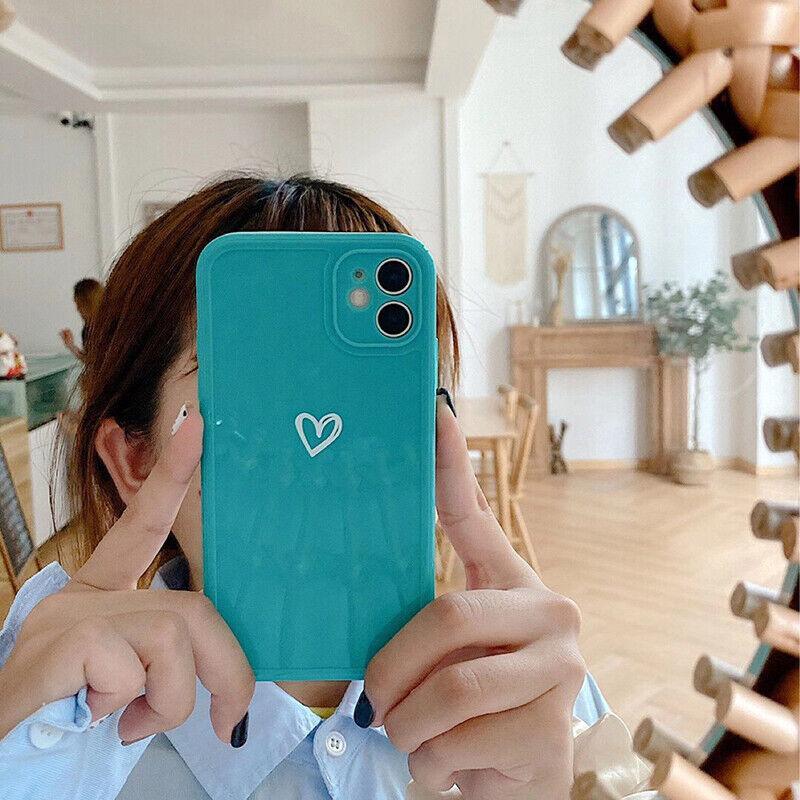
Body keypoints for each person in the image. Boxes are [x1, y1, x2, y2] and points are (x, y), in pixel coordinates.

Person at [0, 175, 606, 800]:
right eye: (257, 391)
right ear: (136, 460)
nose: (322, 448)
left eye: (380, 393)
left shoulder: (529, 695)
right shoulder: (48, 732)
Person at [60, 277, 104, 361]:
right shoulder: (88, 329)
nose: (77, 309)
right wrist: (71, 345)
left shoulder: (111, 327)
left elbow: (93, 363)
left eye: (79, 305)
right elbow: (90, 361)